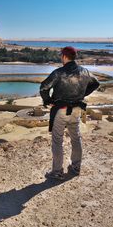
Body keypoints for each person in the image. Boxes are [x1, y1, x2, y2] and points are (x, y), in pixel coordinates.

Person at [40, 46, 99, 180]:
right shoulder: (85, 72)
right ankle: (76, 167)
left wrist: (48, 100)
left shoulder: (58, 73)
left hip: (61, 109)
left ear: (65, 57)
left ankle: (57, 172)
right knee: (76, 138)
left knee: (57, 141)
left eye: (61, 55)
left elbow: (43, 87)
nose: (61, 57)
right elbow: (96, 83)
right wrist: (82, 94)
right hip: (77, 109)